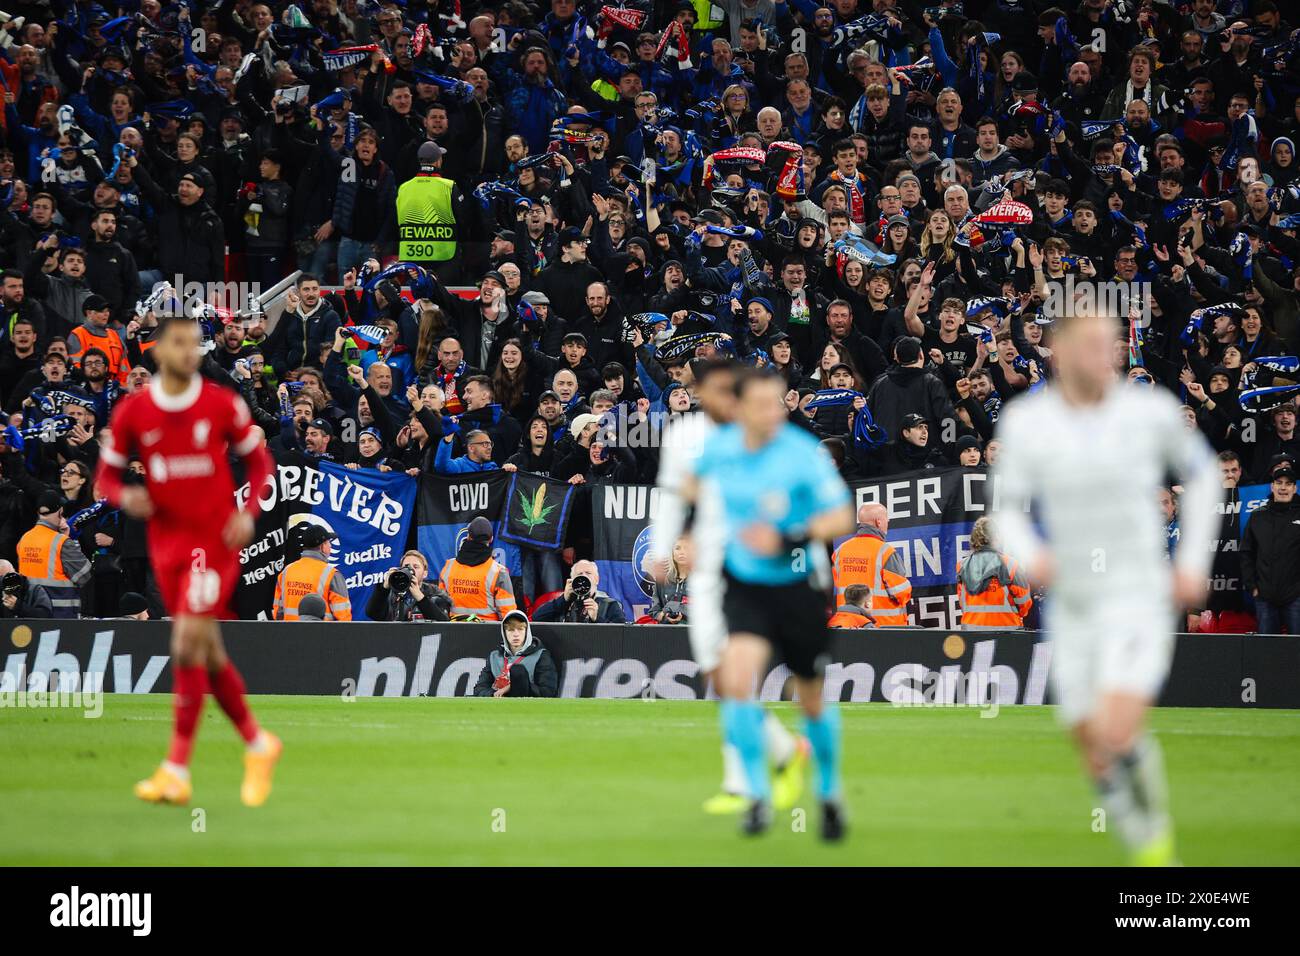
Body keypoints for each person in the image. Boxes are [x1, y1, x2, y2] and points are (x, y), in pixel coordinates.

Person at [993, 309, 1220, 867]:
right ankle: (1146, 834)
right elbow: (1006, 509)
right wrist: (1031, 555)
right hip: (1072, 603)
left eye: (1109, 345)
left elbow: (1205, 472)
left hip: (1135, 594)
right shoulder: (1028, 421)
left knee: (1117, 728)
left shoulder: (1149, 411)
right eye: (1090, 344)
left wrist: (1191, 561)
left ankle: (1154, 854)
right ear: (1058, 351)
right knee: (1093, 745)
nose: (1103, 355)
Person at [95, 315, 282, 808]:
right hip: (166, 542)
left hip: (213, 540)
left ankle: (176, 768)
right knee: (207, 650)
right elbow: (107, 478)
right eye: (176, 344)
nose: (186, 352)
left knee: (184, 643)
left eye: (193, 345)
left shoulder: (220, 403)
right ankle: (259, 744)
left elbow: (260, 460)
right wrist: (125, 499)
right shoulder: (134, 412)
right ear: (156, 350)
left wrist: (248, 511)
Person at [681, 369, 855, 839]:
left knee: (812, 699)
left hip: (799, 586)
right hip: (744, 585)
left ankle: (830, 793)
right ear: (739, 408)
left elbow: (842, 516)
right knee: (736, 682)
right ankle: (757, 796)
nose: (772, 411)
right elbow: (690, 485)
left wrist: (788, 536)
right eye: (761, 403)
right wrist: (691, 533)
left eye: (777, 402)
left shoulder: (801, 453)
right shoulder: (720, 450)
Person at [650, 358, 807, 815]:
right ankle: (784, 750)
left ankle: (741, 782)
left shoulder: (756, 436)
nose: (717, 397)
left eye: (726, 389)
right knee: (720, 676)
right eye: (709, 389)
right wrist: (663, 549)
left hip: (746, 569)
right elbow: (671, 495)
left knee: (733, 675)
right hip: (706, 572)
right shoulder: (685, 435)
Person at [1240, 459, 1300, 634]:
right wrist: (1253, 587)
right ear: (1271, 487)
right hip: (1264, 597)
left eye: (1288, 484)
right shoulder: (1257, 517)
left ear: (1294, 488)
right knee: (1266, 652)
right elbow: (1246, 553)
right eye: (1279, 483)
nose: (1283, 488)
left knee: (1296, 650)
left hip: (1296, 597)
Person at [830, 503, 912, 625]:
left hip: (849, 627)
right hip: (884, 630)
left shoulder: (840, 551)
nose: (888, 521)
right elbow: (902, 593)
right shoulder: (886, 552)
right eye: (886, 518)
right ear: (878, 522)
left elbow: (835, 584)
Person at [15, 491, 91, 619]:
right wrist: (69, 539)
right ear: (60, 512)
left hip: (30, 613)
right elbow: (84, 575)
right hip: (59, 616)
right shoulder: (61, 542)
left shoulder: (24, 539)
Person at [956, 517, 1033, 629]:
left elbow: (963, 603)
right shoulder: (1011, 564)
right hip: (1006, 636)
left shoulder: (962, 566)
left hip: (972, 635)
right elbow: (1024, 604)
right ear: (996, 537)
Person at [437, 516, 517, 620]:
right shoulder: (499, 572)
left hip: (455, 632)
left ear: (469, 536)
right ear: (491, 539)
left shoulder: (448, 567)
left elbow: (440, 608)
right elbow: (508, 615)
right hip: (488, 633)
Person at [273, 522, 353, 622]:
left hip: (289, 635)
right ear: (322, 547)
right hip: (321, 635)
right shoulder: (332, 575)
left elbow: (278, 614)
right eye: (328, 542)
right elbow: (344, 619)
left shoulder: (287, 571)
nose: (330, 546)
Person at [472, 609, 559, 698]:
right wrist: (493, 694)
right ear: (504, 633)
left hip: (527, 706)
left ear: (527, 631)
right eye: (510, 630)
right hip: (498, 706)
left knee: (518, 671)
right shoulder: (494, 657)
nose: (516, 634)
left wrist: (516, 685)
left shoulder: (541, 656)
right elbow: (479, 689)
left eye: (520, 629)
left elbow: (548, 692)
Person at [365, 550, 451, 622]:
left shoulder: (434, 593)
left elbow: (443, 622)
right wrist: (384, 588)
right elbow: (373, 614)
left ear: (425, 573)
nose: (411, 570)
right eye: (406, 566)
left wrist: (420, 597)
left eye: (416, 567)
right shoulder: (393, 592)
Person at [532, 560, 627, 623]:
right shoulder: (564, 603)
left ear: (597, 579)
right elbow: (537, 617)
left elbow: (622, 636)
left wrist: (597, 618)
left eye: (588, 573)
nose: (584, 576)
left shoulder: (610, 604)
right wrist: (564, 599)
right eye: (579, 574)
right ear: (572, 580)